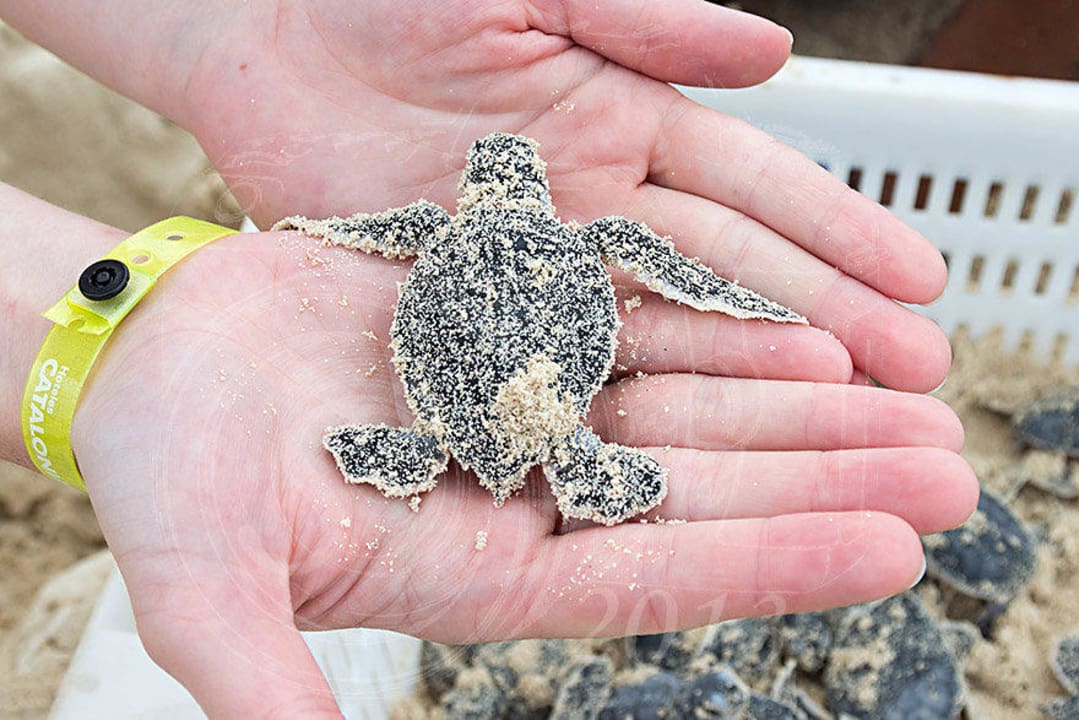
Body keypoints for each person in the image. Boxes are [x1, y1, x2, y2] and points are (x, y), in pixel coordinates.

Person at [0, 1, 976, 717]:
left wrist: (286, 195)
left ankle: (437, 450)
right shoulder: (581, 236)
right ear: (529, 188)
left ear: (475, 192)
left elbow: (375, 232)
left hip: (465, 390)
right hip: (553, 390)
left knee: (481, 422)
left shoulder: (434, 229)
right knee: (553, 421)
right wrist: (738, 303)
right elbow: (660, 263)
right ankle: (555, 458)